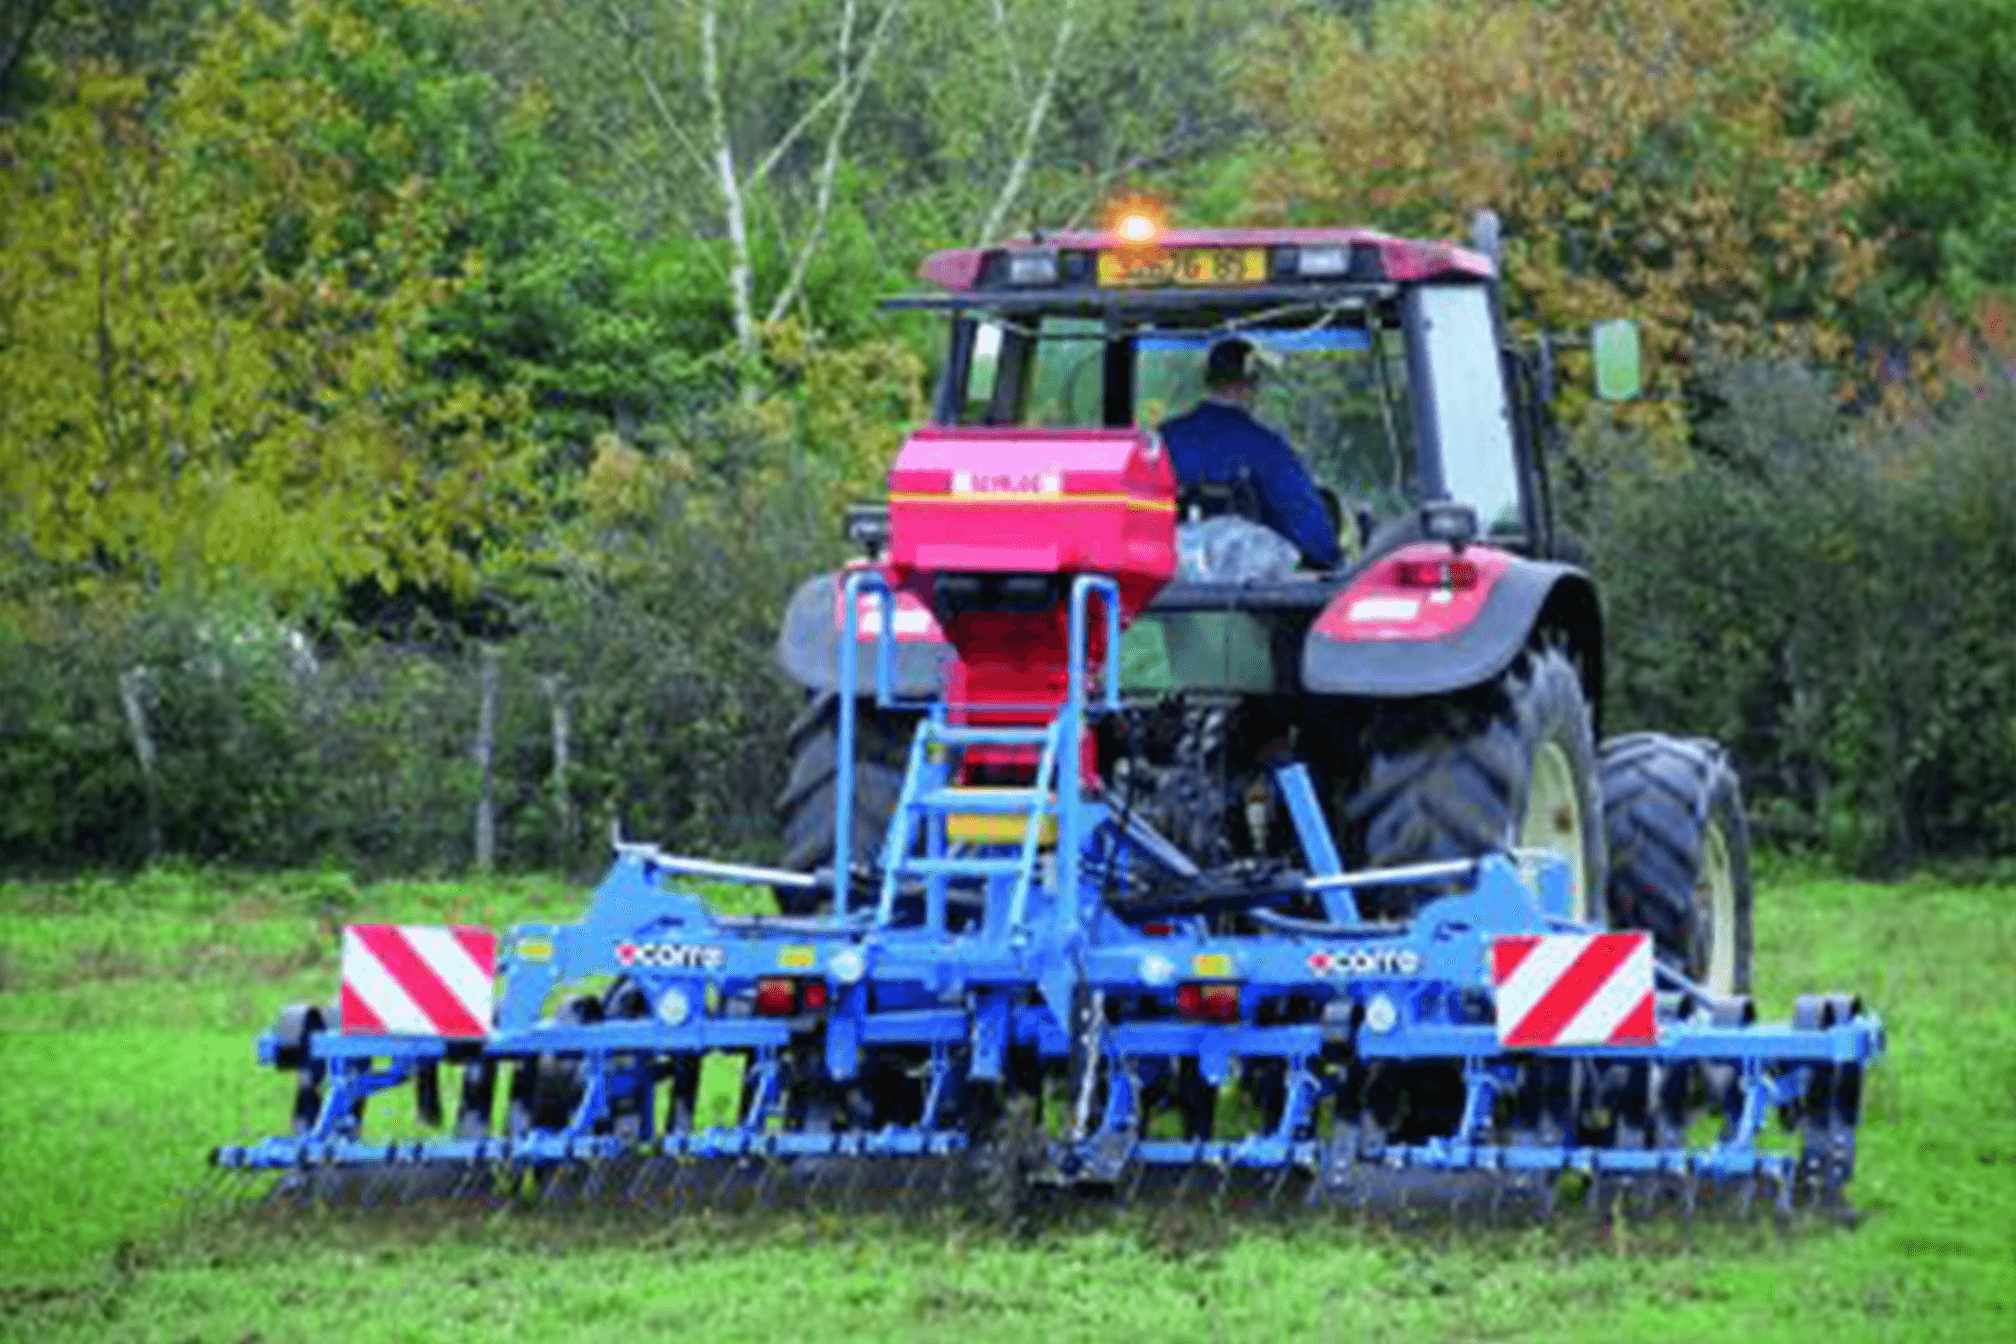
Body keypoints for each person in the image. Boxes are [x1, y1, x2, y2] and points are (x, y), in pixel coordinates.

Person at [1156, 338, 1343, 570]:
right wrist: (1331, 558)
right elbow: (1307, 525)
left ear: (1208, 380)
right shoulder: (1265, 448)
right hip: (1248, 595)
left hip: (1169, 590)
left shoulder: (1162, 441)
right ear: (1248, 384)